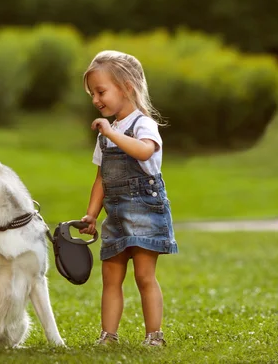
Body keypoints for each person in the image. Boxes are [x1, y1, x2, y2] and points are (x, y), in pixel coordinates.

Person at [79, 50, 178, 347]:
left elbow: (145, 151)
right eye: (92, 94)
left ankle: (154, 336)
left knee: (144, 277)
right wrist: (92, 215)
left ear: (127, 87)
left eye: (101, 91)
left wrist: (111, 132)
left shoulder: (143, 124)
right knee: (111, 278)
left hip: (145, 210)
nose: (96, 99)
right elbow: (101, 179)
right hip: (116, 215)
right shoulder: (104, 135)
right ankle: (108, 335)